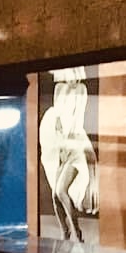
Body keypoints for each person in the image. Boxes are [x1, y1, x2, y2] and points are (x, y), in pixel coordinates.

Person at [38, 78, 96, 241]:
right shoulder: (59, 89)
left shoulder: (81, 90)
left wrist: (71, 142)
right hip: (61, 148)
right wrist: (60, 144)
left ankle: (76, 231)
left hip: (75, 147)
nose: (73, 80)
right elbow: (56, 118)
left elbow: (78, 120)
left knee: (61, 191)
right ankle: (65, 232)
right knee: (55, 197)